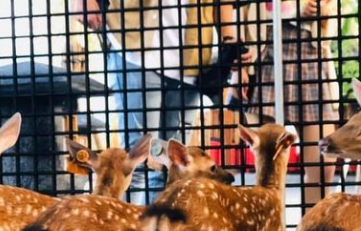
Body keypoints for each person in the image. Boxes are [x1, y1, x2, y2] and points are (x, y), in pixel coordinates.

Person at [74, 0, 248, 204]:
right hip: (135, 50)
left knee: (169, 165)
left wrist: (230, 43)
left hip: (192, 60)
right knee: (137, 161)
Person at [245, 0, 339, 207]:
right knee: (268, 167)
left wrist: (322, 12)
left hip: (310, 53)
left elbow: (332, 12)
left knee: (323, 165)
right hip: (270, 49)